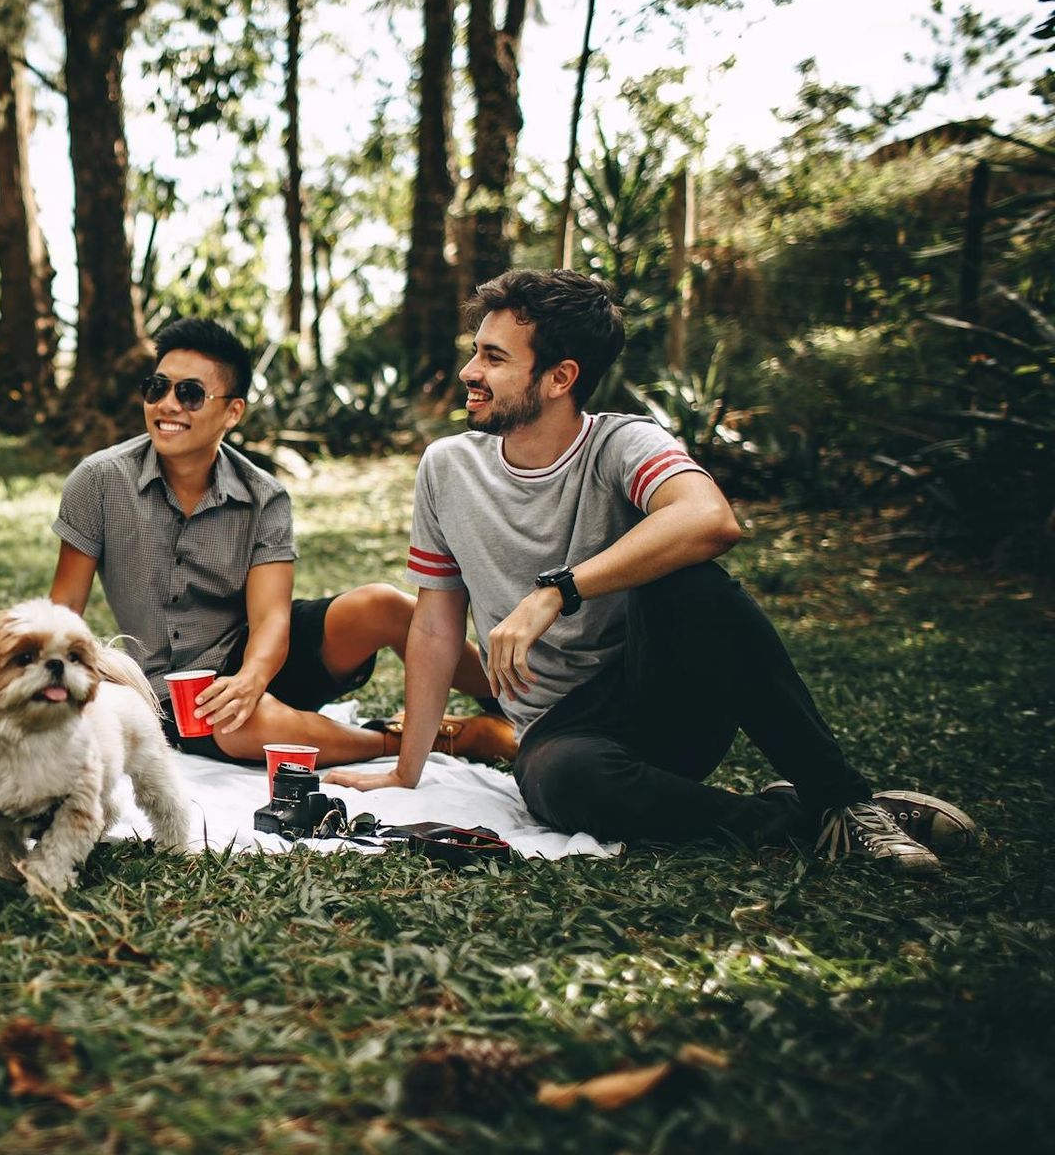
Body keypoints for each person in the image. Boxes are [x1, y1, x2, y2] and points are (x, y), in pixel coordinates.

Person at [325, 269, 978, 875]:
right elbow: (437, 626)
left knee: (691, 578)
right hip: (563, 734)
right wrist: (406, 771)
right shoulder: (448, 468)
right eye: (477, 350)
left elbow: (710, 519)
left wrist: (559, 590)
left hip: (663, 695)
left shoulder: (622, 443)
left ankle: (846, 799)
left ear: (560, 377)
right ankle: (805, 821)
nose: (470, 370)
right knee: (564, 783)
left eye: (494, 358)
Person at [48, 317, 511, 766]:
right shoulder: (99, 481)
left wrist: (251, 678)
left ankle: (515, 704)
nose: (167, 405)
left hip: (260, 655)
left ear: (232, 411)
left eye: (189, 394)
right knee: (241, 725)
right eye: (157, 388)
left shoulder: (263, 496)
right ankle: (434, 739)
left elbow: (271, 618)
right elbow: (64, 607)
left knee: (383, 605)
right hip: (174, 692)